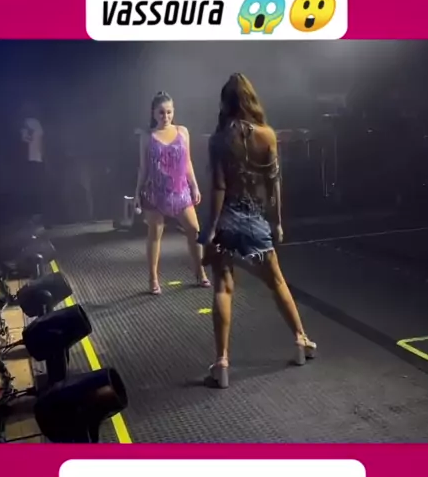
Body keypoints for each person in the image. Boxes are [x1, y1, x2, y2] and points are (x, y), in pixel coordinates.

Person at [198, 73, 316, 389]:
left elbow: (218, 187)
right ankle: (300, 340)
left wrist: (211, 229)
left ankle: (222, 362)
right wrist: (276, 222)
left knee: (223, 288)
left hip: (227, 219)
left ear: (225, 103)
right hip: (254, 218)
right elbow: (274, 184)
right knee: (276, 281)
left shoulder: (218, 140)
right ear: (251, 99)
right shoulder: (267, 136)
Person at [135, 91, 210, 294]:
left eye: (169, 112)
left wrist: (194, 186)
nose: (165, 116)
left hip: (180, 190)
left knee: (194, 230)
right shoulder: (147, 137)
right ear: (153, 113)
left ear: (173, 111)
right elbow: (143, 168)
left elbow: (188, 162)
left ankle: (200, 272)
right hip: (155, 192)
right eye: (161, 112)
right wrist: (137, 194)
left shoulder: (182, 132)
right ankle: (153, 279)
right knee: (155, 234)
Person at [20, 110, 46, 223]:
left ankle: (38, 213)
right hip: (31, 159)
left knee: (37, 186)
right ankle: (35, 213)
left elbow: (39, 140)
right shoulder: (28, 123)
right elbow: (26, 139)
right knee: (34, 186)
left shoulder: (33, 122)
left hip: (36, 159)